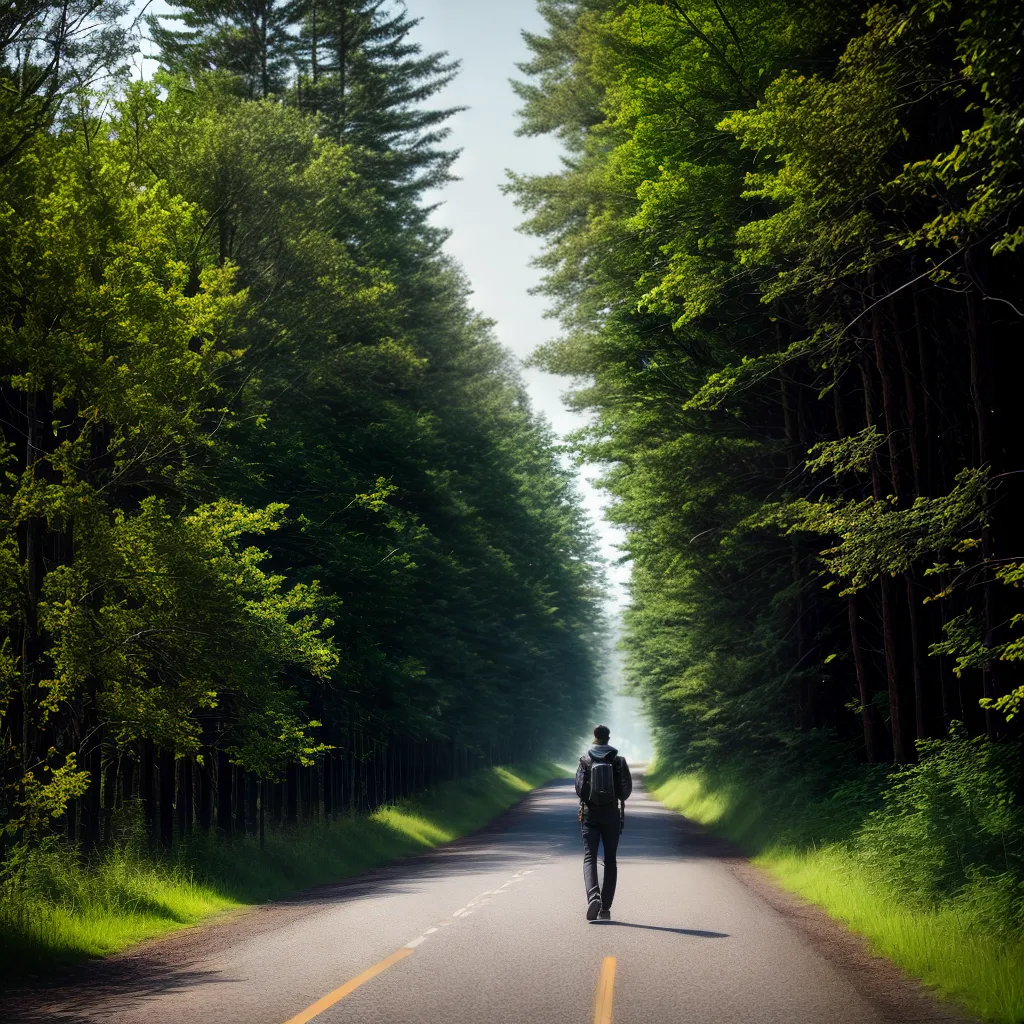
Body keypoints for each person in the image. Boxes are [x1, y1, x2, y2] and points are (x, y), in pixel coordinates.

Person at [575, 724, 632, 921]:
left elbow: (579, 790)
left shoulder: (585, 760)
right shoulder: (618, 761)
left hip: (590, 815)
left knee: (590, 857)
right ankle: (605, 908)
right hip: (611, 815)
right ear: (608, 738)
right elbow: (626, 792)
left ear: (594, 737)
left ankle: (593, 896)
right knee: (610, 860)